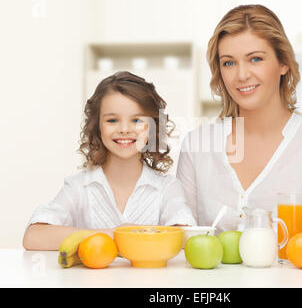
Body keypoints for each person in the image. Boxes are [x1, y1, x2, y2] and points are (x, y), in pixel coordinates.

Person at [176, 4, 302, 233]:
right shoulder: (196, 144)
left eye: (255, 59)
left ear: (283, 63)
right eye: (229, 62)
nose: (241, 75)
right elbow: (180, 230)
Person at [23, 71, 196, 250]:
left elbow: (185, 237)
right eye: (112, 120)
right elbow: (33, 237)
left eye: (136, 120)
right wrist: (115, 234)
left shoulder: (167, 188)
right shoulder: (79, 187)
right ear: (97, 127)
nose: (124, 129)